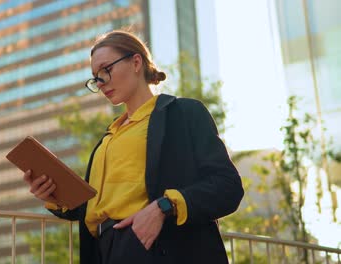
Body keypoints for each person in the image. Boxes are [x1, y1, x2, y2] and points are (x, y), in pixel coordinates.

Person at [23, 30, 244, 264]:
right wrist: (54, 194)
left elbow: (227, 187)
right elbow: (94, 208)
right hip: (102, 250)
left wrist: (164, 207)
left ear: (136, 62)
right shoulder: (108, 138)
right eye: (95, 77)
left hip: (154, 246)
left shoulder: (183, 113)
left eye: (106, 70)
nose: (100, 83)